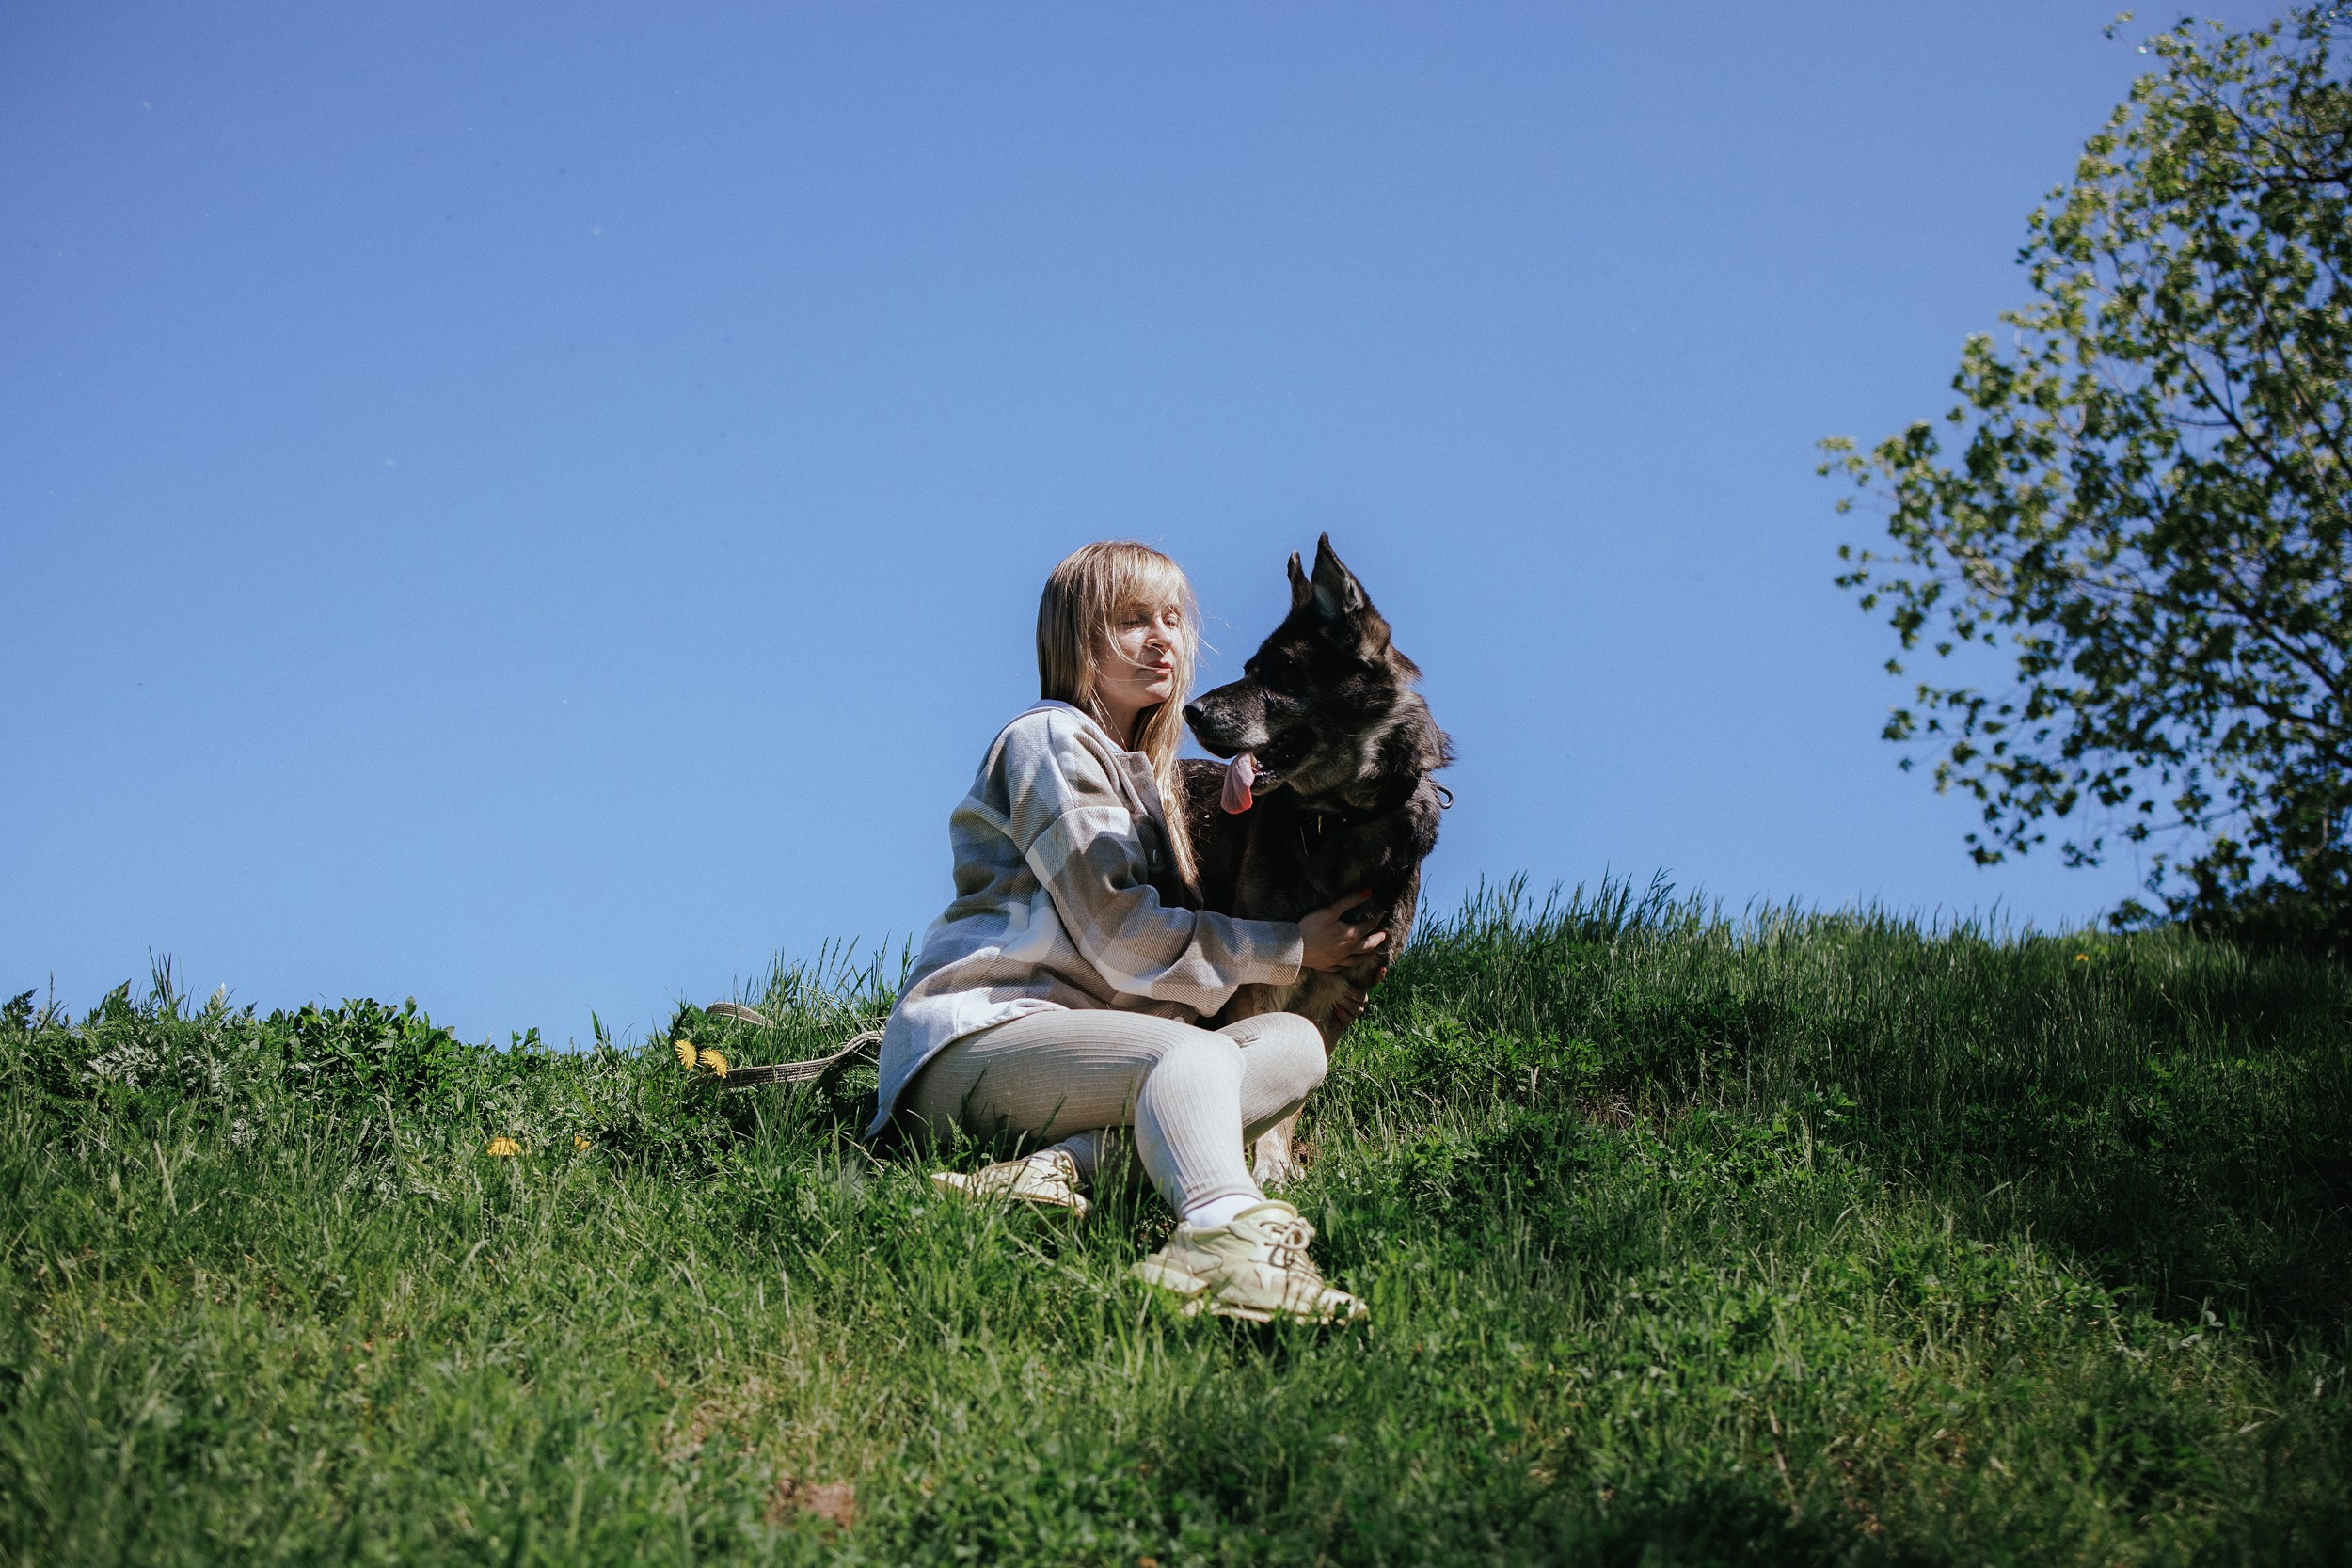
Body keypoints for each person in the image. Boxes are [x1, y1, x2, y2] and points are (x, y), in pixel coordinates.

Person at [869, 540, 1390, 1323]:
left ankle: (1051, 1171)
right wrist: (1291, 947)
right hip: (979, 1046)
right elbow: (1123, 937)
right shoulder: (1047, 740)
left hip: (1082, 1062)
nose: (1163, 637)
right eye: (1132, 619)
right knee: (1193, 1057)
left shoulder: (1143, 781)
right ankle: (1224, 1235)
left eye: (1174, 619)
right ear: (1078, 638)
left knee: (1293, 1046)